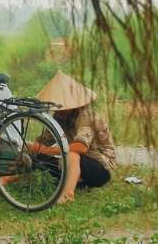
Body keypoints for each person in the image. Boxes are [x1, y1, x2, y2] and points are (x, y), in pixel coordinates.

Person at [28, 71, 115, 203]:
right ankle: (76, 178)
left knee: (71, 154)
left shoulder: (86, 115)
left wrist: (46, 150)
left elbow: (81, 147)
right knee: (39, 157)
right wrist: (32, 148)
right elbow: (44, 141)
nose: (58, 110)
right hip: (76, 163)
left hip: (100, 166)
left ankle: (68, 195)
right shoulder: (59, 117)